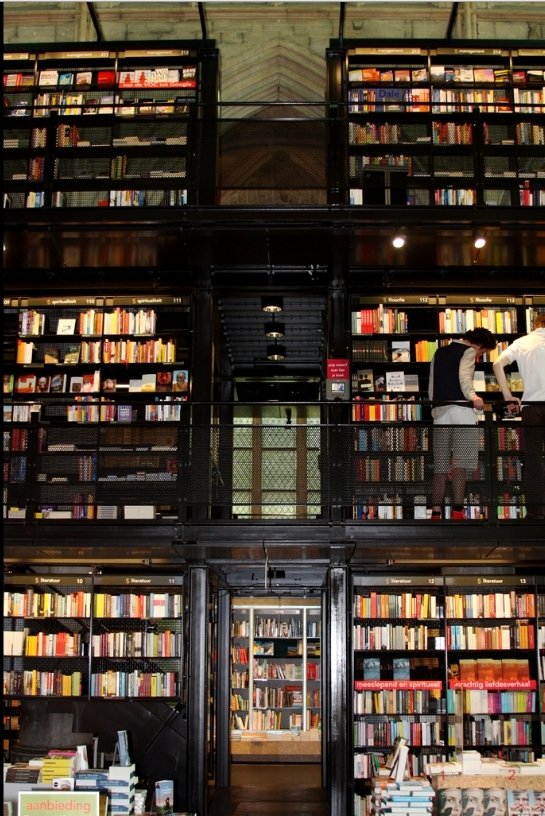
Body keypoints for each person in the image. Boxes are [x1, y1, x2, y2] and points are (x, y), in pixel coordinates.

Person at [429, 328, 497, 520]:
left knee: (440, 466)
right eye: (482, 353)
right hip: (462, 412)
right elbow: (465, 378)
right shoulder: (468, 351)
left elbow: (432, 384)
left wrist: (434, 406)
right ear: (479, 345)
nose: (479, 356)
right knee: (461, 463)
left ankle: (435, 513)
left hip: (440, 412)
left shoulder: (439, 351)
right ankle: (458, 512)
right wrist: (473, 396)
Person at [492, 312, 545, 520]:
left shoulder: (522, 342)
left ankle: (536, 512)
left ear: (535, 323)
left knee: (533, 460)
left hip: (532, 407)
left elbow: (497, 364)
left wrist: (508, 395)